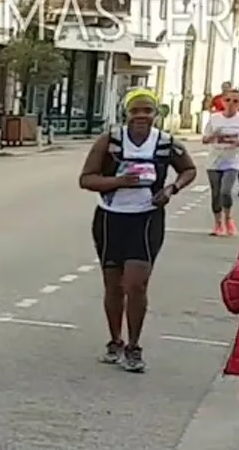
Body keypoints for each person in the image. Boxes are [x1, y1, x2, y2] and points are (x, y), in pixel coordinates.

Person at [78, 87, 196, 374]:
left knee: (136, 283)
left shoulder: (166, 143)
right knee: (114, 285)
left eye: (147, 111)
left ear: (156, 114)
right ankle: (115, 340)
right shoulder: (110, 141)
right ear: (126, 113)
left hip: (146, 219)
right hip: (110, 219)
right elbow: (86, 179)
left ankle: (134, 346)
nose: (141, 117)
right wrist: (119, 182)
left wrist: (171, 188)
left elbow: (189, 169)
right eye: (135, 111)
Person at [203, 89, 239, 236]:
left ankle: (228, 218)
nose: (231, 104)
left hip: (233, 161)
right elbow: (205, 139)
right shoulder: (215, 118)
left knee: (225, 191)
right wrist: (214, 135)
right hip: (214, 161)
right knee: (216, 193)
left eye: (235, 101)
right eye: (228, 100)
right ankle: (218, 223)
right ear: (223, 101)